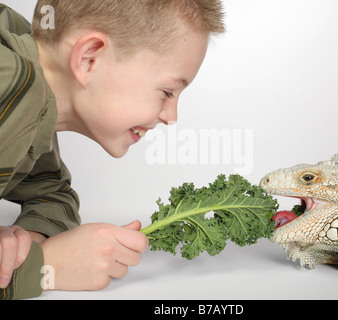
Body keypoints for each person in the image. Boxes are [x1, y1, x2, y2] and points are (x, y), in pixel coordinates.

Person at [0, 0, 225, 299]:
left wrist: (25, 243)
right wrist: (45, 265)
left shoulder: (36, 104)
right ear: (89, 59)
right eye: (167, 92)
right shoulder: (14, 82)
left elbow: (53, 195)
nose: (172, 118)